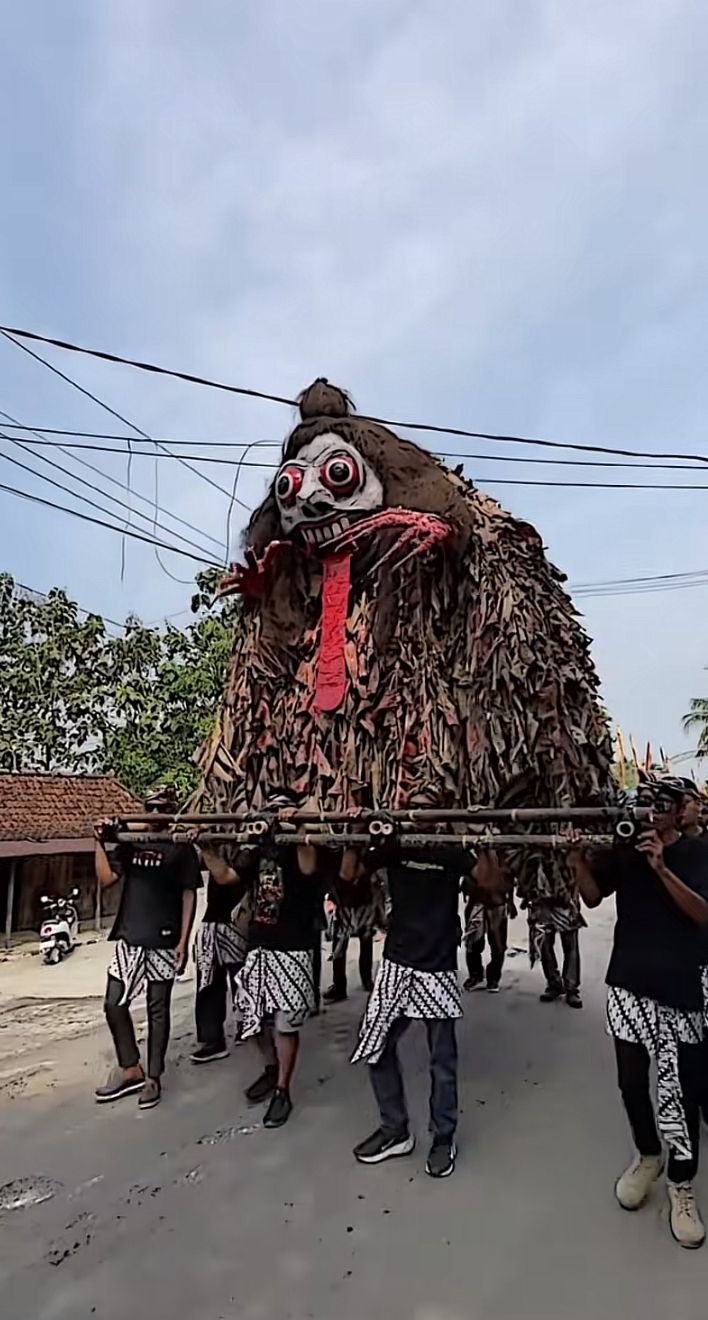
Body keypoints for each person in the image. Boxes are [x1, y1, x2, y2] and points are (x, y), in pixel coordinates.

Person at [572, 774, 708, 1249]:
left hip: (678, 990)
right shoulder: (625, 849)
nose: (648, 810)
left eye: (658, 804)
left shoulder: (697, 852)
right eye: (643, 801)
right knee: (631, 1083)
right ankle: (648, 1154)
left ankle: (682, 1186)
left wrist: (661, 868)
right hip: (628, 983)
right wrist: (576, 859)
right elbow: (591, 896)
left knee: (681, 1095)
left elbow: (703, 914)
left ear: (678, 810)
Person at [349, 798, 501, 1179]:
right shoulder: (394, 844)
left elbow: (490, 886)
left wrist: (484, 844)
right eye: (410, 806)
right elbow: (351, 878)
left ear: (441, 812)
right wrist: (353, 837)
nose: (416, 812)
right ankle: (395, 1129)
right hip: (397, 962)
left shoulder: (450, 850)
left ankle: (443, 1136)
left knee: (442, 1063)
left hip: (437, 966)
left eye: (425, 806)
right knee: (375, 1045)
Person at [200, 790, 321, 1129]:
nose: (274, 815)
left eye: (281, 809)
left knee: (285, 1022)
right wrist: (207, 849)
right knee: (250, 1018)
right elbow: (227, 878)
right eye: (270, 810)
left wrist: (297, 826)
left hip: (293, 947)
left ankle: (283, 1089)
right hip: (260, 945)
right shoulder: (258, 850)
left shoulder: (305, 844)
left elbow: (309, 865)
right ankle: (271, 1069)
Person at [94, 784, 200, 1110]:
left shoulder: (180, 848)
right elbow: (107, 879)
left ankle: (154, 1077)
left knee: (158, 1010)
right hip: (130, 936)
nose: (155, 814)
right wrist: (98, 841)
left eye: (161, 808)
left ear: (171, 811)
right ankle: (131, 1068)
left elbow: (189, 894)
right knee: (113, 1003)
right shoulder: (131, 842)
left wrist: (184, 941)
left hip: (164, 938)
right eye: (150, 807)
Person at [191, 871, 248, 1064]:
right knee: (208, 981)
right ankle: (212, 1038)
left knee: (243, 979)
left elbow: (227, 876)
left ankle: (248, 1025)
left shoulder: (247, 848)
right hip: (213, 919)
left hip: (240, 920)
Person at [324, 869, 382, 1003]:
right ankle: (360, 981)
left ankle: (351, 983)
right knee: (350, 940)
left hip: (357, 894)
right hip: (348, 895)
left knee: (353, 940)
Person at [463, 864, 515, 993]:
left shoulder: (502, 853)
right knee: (473, 941)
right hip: (477, 901)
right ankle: (475, 975)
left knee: (498, 945)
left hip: (498, 902)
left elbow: (510, 877)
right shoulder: (473, 851)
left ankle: (493, 978)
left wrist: (511, 901)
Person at [530, 893, 584, 1009]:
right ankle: (554, 982)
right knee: (544, 943)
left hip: (566, 898)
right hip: (541, 899)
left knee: (570, 945)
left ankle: (571, 988)